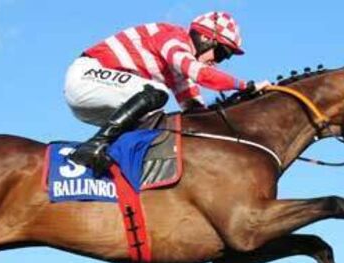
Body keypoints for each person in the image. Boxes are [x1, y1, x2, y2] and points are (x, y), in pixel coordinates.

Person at [64, 11, 272, 176]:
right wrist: (245, 86)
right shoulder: (174, 37)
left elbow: (196, 112)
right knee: (157, 93)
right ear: (205, 38)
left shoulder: (178, 72)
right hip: (87, 76)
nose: (217, 62)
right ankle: (94, 145)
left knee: (156, 121)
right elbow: (200, 74)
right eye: (221, 54)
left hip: (101, 95)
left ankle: (116, 163)